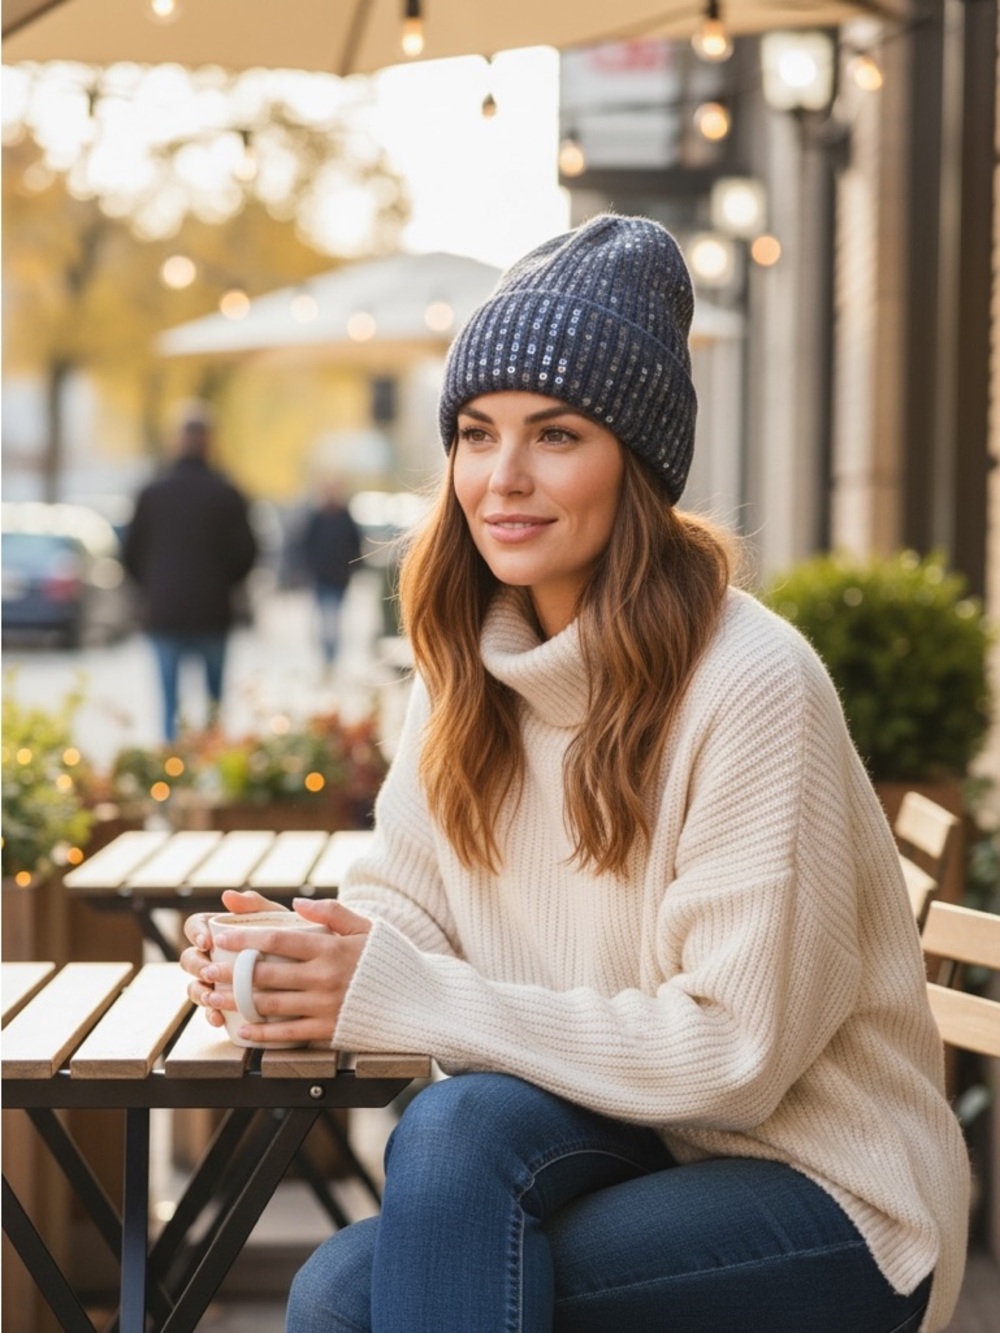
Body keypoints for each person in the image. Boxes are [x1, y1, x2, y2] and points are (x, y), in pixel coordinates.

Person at [180, 215, 969, 1333]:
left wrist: (400, 988)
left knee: (351, 1292)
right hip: (626, 1134)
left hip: (825, 1188)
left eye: (555, 436)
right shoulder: (466, 664)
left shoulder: (750, 683)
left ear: (634, 464)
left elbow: (733, 1057)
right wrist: (306, 956)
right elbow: (406, 910)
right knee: (438, 1150)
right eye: (474, 432)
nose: (502, 479)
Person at [123, 403, 257, 741]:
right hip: (213, 610)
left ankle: (169, 775)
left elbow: (129, 553)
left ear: (175, 441)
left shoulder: (151, 493)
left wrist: (153, 586)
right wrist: (223, 583)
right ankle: (208, 771)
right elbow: (248, 553)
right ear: (210, 441)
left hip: (163, 611)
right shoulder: (227, 494)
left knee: (169, 705)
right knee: (214, 705)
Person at [299, 476, 363, 673]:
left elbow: (356, 545)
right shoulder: (316, 517)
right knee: (326, 620)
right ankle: (328, 658)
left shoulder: (345, 517)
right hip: (321, 577)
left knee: (333, 620)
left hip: (340, 578)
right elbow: (305, 545)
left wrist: (351, 567)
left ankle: (331, 659)